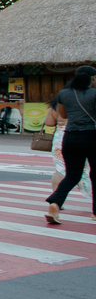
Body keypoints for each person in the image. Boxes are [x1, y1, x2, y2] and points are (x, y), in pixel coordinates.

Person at [45, 66, 96, 224]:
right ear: (92, 78)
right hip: (92, 137)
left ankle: (55, 204)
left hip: (70, 137)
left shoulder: (64, 94)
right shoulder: (94, 93)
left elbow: (64, 114)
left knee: (72, 175)